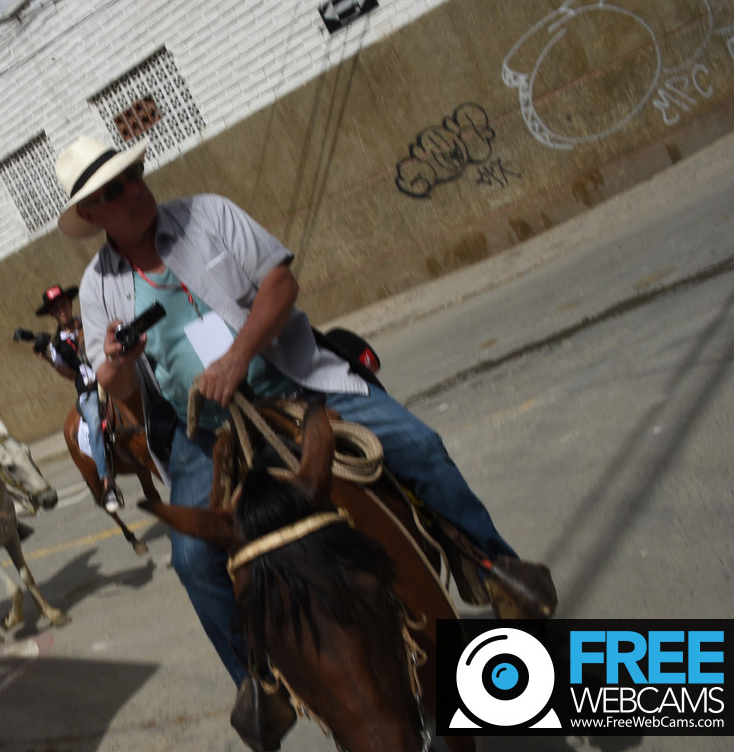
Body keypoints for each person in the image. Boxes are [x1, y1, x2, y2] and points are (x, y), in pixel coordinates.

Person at [54, 134, 555, 689]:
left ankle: (496, 567)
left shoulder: (209, 214)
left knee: (417, 444)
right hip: (204, 432)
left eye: (132, 177)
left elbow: (280, 281)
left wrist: (239, 356)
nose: (134, 192)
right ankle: (256, 680)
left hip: (294, 384)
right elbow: (118, 384)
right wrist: (117, 364)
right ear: (91, 213)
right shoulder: (98, 285)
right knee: (194, 560)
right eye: (115, 190)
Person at [33, 283, 122, 513]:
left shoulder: (89, 322)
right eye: (56, 307)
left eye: (63, 303)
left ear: (70, 303)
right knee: (93, 421)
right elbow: (71, 374)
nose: (61, 308)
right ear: (52, 313)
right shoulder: (56, 344)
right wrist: (49, 360)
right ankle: (107, 482)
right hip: (88, 391)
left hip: (111, 375)